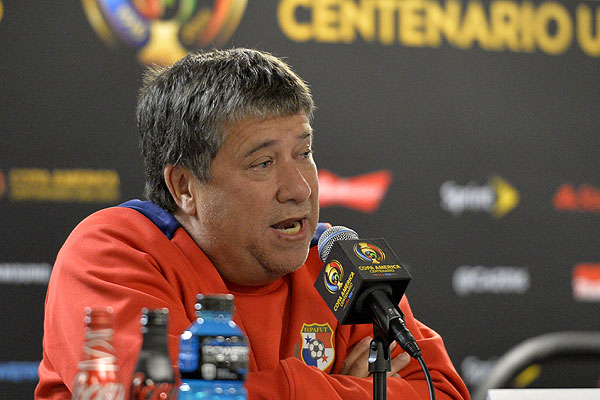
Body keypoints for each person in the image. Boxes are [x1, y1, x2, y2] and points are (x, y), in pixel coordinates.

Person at [36, 48, 470, 399]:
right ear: (185, 187)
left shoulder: (335, 262)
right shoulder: (113, 252)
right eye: (263, 163)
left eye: (304, 153)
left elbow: (442, 392)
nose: (299, 188)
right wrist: (349, 390)